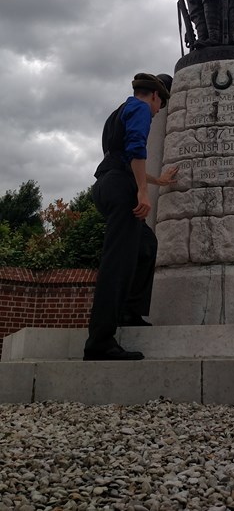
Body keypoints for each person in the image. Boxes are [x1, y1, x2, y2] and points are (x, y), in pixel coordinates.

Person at [83, 73, 178, 361]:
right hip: (121, 189)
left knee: (146, 247)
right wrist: (142, 193)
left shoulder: (118, 112)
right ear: (154, 95)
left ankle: (128, 312)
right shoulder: (139, 109)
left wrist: (157, 181)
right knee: (118, 263)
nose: (159, 110)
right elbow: (137, 147)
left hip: (108, 184)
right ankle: (99, 342)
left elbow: (124, 158)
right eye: (160, 103)